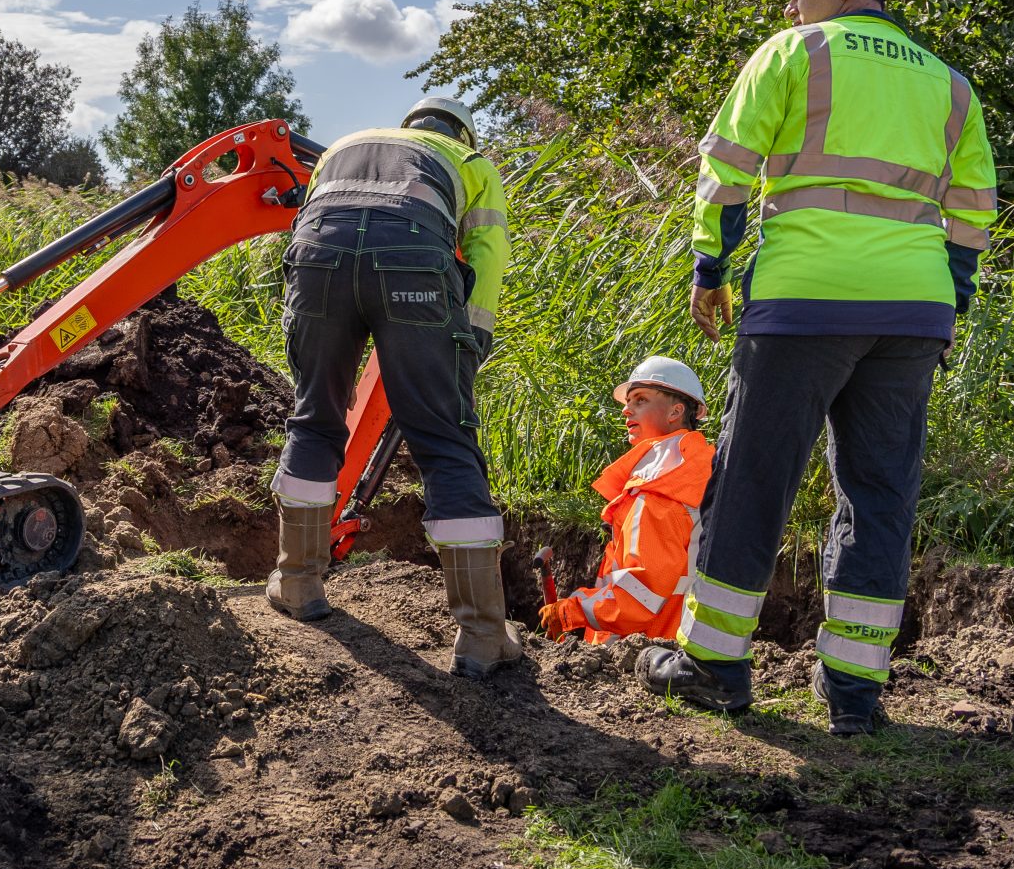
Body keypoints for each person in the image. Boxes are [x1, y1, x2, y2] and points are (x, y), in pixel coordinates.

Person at [639, 0, 998, 734]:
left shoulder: (792, 54)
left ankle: (714, 666)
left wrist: (709, 267)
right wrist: (950, 300)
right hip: (912, 311)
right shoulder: (951, 85)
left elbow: (727, 170)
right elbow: (975, 209)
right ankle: (855, 691)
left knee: (753, 478)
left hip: (804, 299)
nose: (790, 4)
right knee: (880, 493)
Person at [266, 94, 518, 676]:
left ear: (409, 124)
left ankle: (298, 582)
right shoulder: (468, 160)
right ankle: (482, 635)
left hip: (318, 263)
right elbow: (487, 253)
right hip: (413, 266)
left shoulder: (342, 146)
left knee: (315, 417)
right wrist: (471, 339)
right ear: (462, 132)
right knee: (446, 441)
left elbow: (307, 227)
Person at [538, 357, 713, 645]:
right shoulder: (695, 473)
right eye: (628, 401)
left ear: (676, 411)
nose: (626, 409)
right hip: (680, 644)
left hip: (650, 650)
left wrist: (570, 611)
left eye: (641, 400)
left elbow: (637, 597)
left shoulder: (660, 491)